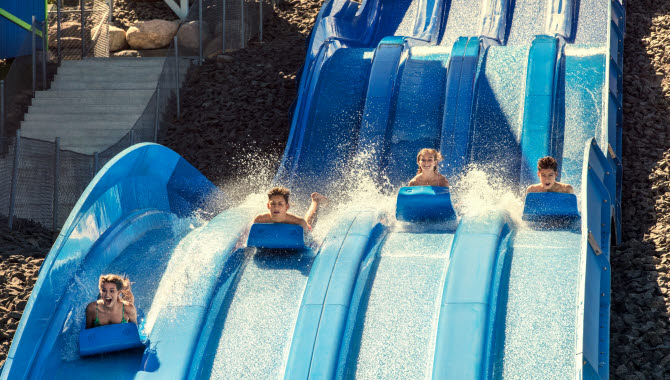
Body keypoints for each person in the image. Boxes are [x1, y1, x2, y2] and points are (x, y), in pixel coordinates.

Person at [253, 187, 328, 231]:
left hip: (304, 225)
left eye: (280, 204)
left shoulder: (298, 222)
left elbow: (309, 238)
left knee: (309, 223)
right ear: (268, 206)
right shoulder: (259, 220)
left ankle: (315, 200)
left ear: (287, 207)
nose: (276, 207)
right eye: (273, 204)